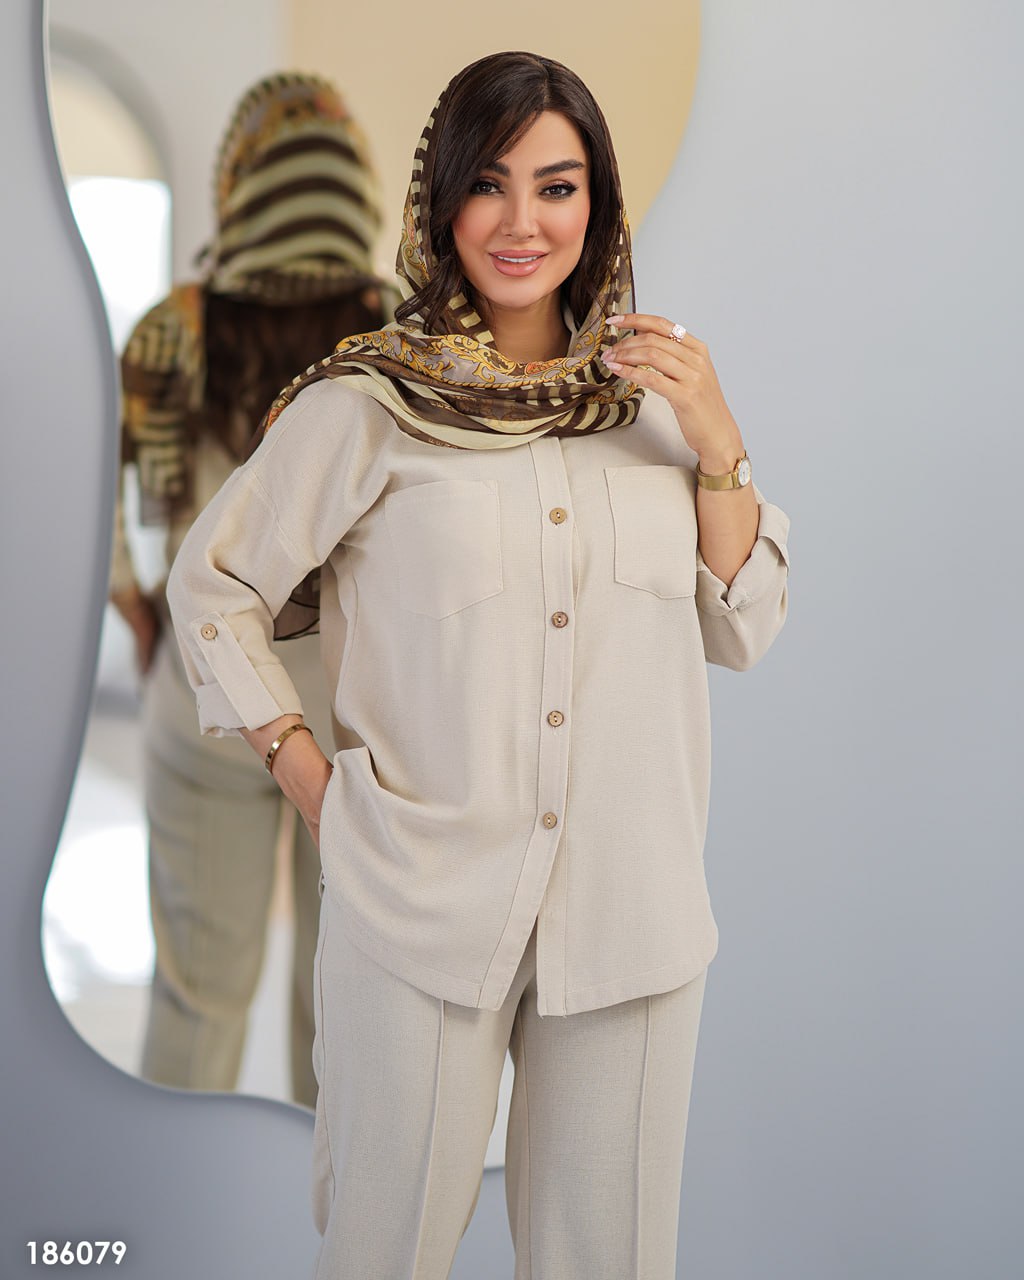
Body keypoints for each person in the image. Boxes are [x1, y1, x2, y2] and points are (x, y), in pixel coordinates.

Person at [167, 51, 790, 1280]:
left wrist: (719, 441)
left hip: (629, 913)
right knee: (381, 1253)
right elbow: (212, 586)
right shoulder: (368, 405)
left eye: (556, 187)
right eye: (487, 184)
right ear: (440, 200)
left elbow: (743, 623)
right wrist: (310, 779)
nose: (521, 222)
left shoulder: (655, 408)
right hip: (416, 909)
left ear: (596, 205)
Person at [110, 72, 394, 1107]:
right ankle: (325, 1203)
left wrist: (145, 613)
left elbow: (124, 511)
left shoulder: (171, 330)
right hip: (359, 706)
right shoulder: (396, 329)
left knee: (197, 997)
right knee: (349, 1004)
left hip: (209, 691)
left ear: (239, 178)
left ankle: (176, 1199)